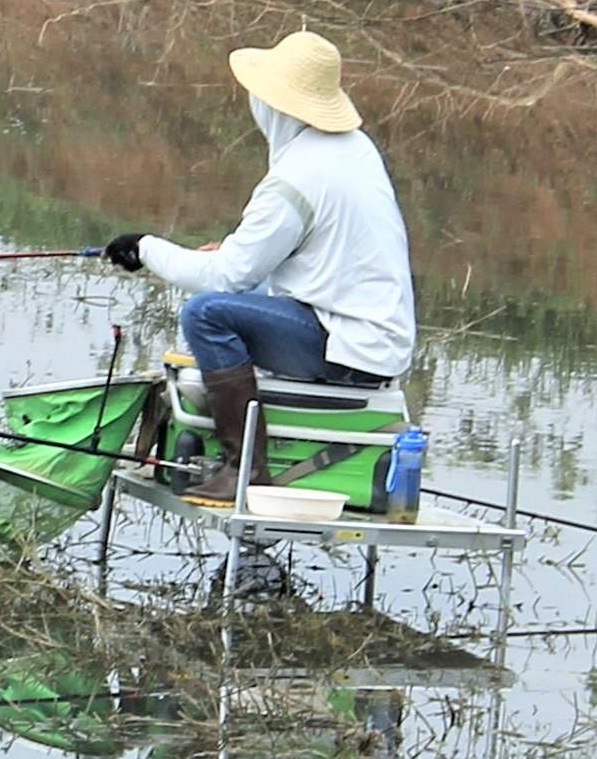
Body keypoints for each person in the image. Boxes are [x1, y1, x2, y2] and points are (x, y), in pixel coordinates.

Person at [98, 30, 413, 507]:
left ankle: (243, 467)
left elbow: (226, 279)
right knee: (222, 303)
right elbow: (309, 257)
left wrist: (146, 249)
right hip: (372, 339)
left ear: (278, 105)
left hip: (348, 347)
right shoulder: (354, 150)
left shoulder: (296, 178)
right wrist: (228, 254)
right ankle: (244, 460)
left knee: (206, 314)